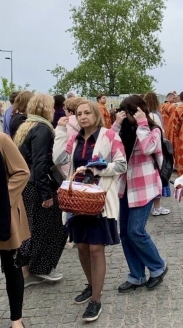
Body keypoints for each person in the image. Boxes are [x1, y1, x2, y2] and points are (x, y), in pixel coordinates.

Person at [53, 101, 126, 322]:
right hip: (78, 200)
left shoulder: (110, 136)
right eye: (79, 113)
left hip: (99, 200)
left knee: (96, 248)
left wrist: (99, 168)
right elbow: (58, 160)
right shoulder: (74, 139)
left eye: (87, 113)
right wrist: (60, 131)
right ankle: (92, 284)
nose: (83, 116)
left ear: (96, 114)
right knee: (82, 247)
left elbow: (122, 165)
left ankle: (96, 299)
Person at [111, 95, 169, 293]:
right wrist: (116, 125)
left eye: (130, 112)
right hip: (125, 187)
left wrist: (143, 121)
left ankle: (158, 266)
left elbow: (148, 148)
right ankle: (136, 275)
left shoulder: (152, 129)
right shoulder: (124, 130)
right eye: (125, 112)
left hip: (145, 186)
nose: (127, 116)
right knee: (125, 234)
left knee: (136, 231)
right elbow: (107, 148)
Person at [13, 93, 67, 287]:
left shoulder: (27, 126)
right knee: (51, 229)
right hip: (38, 186)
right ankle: (40, 268)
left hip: (27, 186)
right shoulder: (43, 128)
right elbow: (40, 163)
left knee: (31, 229)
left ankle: (26, 271)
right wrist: (46, 194)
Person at [0, 109, 30, 328]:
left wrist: (2, 195)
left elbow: (22, 171)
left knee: (11, 267)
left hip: (7, 212)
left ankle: (16, 319)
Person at [143, 92, 170, 216]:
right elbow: (161, 132)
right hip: (157, 149)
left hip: (145, 149)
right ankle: (157, 206)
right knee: (159, 176)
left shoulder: (142, 114)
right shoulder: (156, 115)